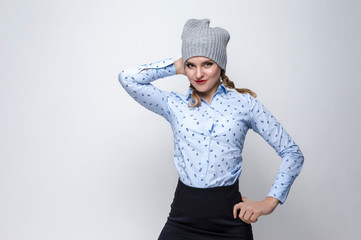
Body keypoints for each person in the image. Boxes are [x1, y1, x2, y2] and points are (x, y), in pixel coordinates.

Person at [118, 19, 304, 240]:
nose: (198, 74)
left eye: (207, 63)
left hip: (229, 224)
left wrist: (270, 201)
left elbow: (292, 153)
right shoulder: (173, 105)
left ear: (221, 65)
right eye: (191, 65)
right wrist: (178, 64)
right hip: (182, 221)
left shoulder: (245, 104)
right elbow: (128, 78)